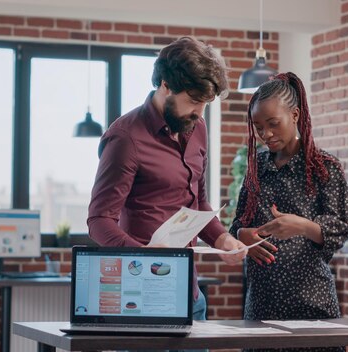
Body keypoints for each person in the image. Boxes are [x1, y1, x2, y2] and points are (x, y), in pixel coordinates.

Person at [87, 36, 246, 321]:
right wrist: (144, 255)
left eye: (206, 104)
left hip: (190, 293)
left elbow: (199, 202)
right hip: (141, 297)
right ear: (166, 85)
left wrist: (222, 239)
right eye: (195, 101)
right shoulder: (125, 137)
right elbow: (99, 221)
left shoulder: (196, 127)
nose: (199, 112)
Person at [229, 72, 348, 352]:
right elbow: (236, 226)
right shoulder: (256, 168)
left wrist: (302, 226)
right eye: (259, 127)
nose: (266, 134)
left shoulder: (325, 167)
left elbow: (345, 225)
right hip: (261, 306)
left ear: (296, 115)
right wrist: (243, 235)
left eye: (273, 124)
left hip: (312, 304)